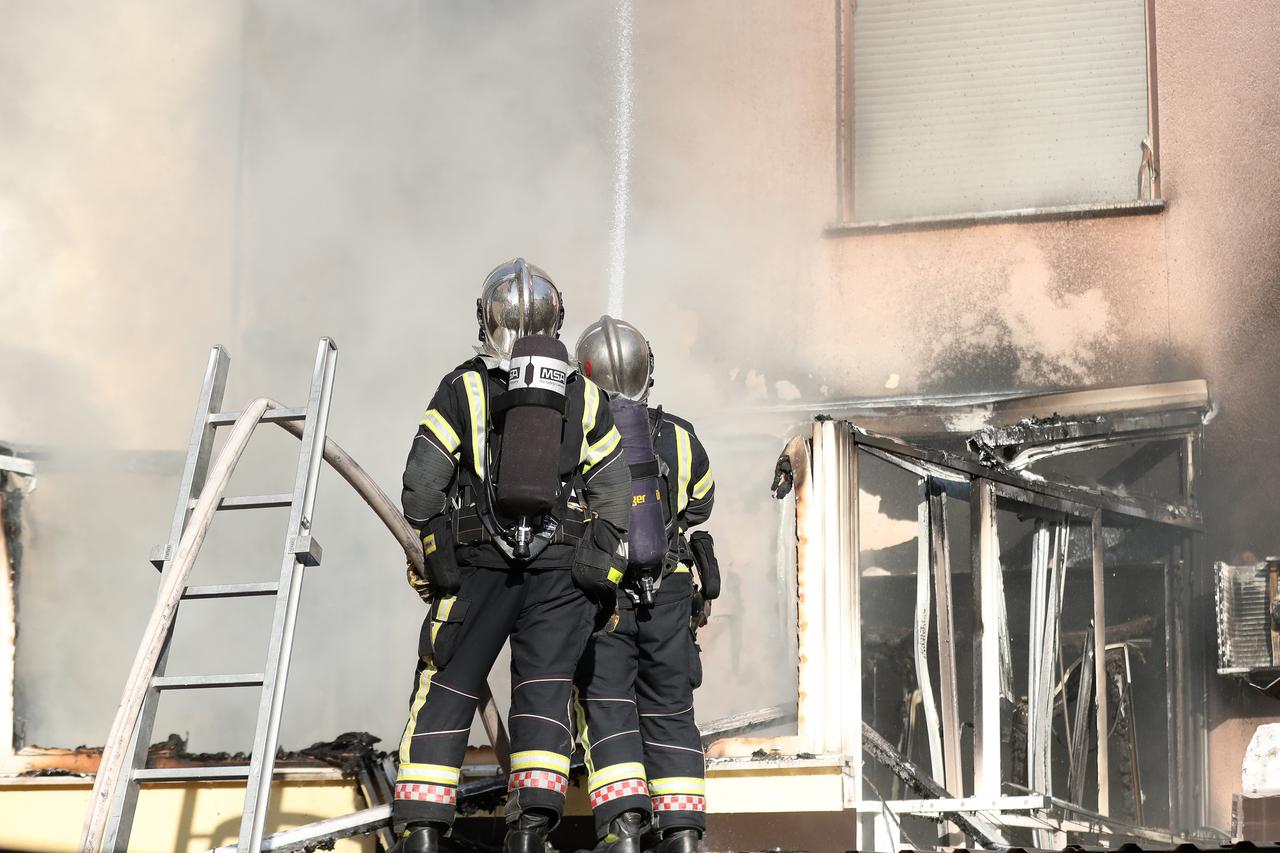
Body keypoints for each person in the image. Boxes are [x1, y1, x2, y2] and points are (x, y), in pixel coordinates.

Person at [392, 261, 633, 853]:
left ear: (485, 317)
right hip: (561, 574)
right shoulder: (585, 393)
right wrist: (595, 565)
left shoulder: (462, 387)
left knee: (449, 681)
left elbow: (421, 487)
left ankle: (423, 826)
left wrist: (436, 548)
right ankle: (531, 829)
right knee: (546, 689)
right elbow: (613, 491)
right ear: (557, 322)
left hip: (478, 568)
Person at [571, 316, 717, 853]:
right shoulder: (678, 435)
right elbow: (701, 500)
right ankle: (682, 833)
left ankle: (623, 829)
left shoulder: (579, 433)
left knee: (608, 700)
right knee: (670, 706)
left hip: (604, 594)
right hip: (671, 589)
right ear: (647, 371)